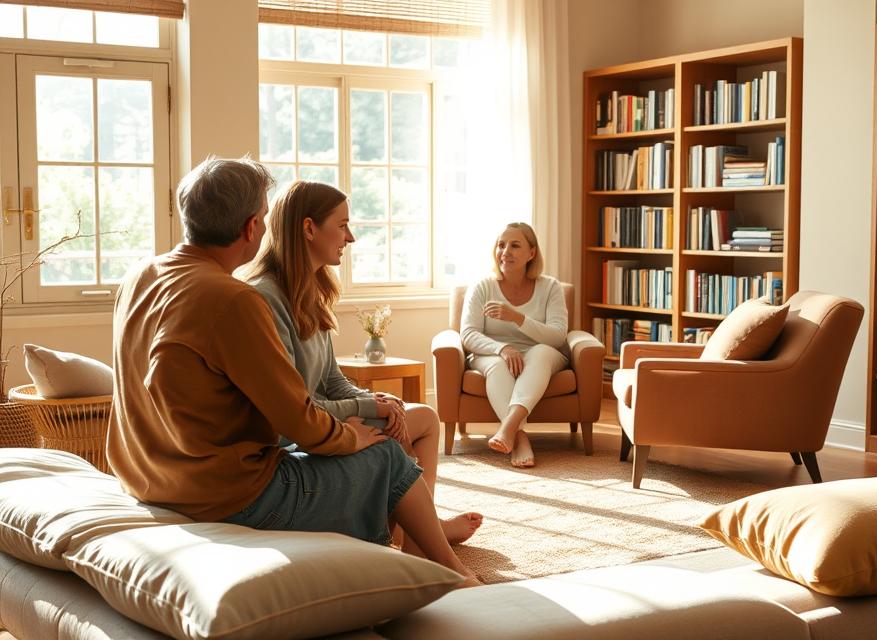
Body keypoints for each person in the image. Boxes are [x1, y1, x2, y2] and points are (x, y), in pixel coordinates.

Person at [106, 157, 478, 587]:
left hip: (147, 479)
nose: (266, 228)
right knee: (386, 457)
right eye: (263, 217)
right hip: (225, 495)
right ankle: (454, 577)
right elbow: (296, 419)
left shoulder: (139, 276)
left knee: (388, 438)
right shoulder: (234, 299)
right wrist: (351, 436)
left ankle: (419, 543)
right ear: (250, 227)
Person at [245, 180, 482, 547]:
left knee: (422, 418)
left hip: (324, 416)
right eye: (342, 225)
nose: (351, 237)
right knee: (396, 431)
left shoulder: (312, 291)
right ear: (309, 228)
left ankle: (418, 532)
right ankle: (420, 536)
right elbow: (295, 409)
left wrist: (379, 401)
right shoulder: (266, 299)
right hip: (301, 434)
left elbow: (332, 379)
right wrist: (369, 407)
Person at [460, 222, 569, 468]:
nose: (505, 251)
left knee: (541, 352)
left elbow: (557, 336)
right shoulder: (482, 287)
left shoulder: (550, 287)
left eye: (515, 245)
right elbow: (468, 334)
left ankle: (508, 427)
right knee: (499, 365)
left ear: (532, 253)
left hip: (540, 352)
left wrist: (517, 318)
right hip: (491, 354)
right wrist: (501, 349)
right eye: (501, 245)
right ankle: (519, 438)